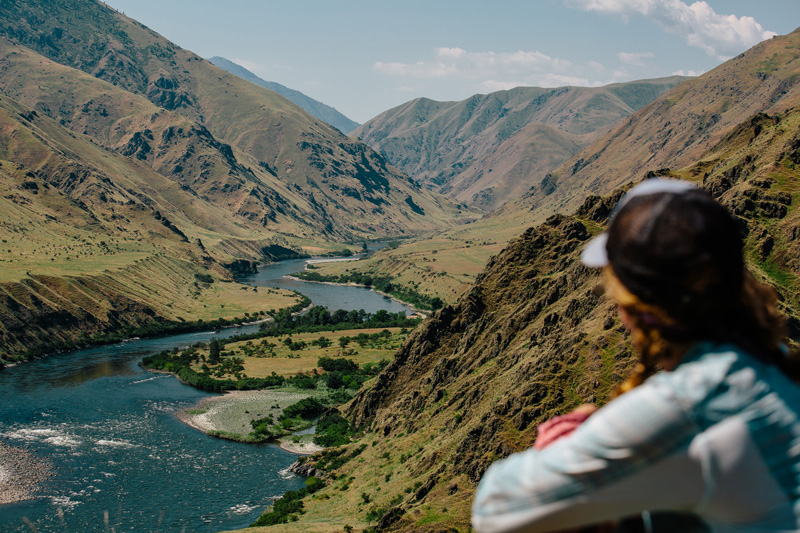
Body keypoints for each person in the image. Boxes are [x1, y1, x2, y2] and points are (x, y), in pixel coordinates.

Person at [471, 178, 800, 533]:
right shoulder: (773, 361)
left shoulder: (692, 403)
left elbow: (494, 507)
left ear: (633, 305)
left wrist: (570, 435)